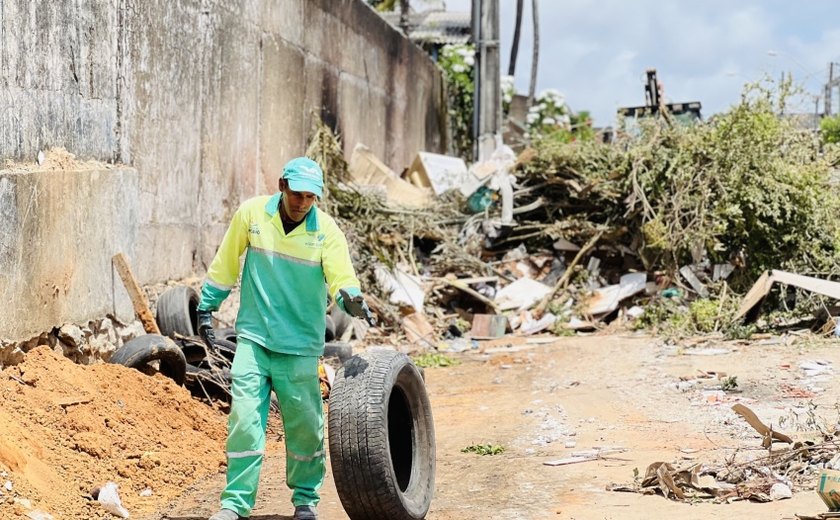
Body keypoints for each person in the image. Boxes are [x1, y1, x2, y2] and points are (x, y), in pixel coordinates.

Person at [198, 157, 371, 520]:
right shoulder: (252, 215)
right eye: (297, 194)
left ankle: (306, 500)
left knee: (305, 428)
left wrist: (351, 300)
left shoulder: (326, 232)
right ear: (281, 185)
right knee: (244, 424)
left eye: (310, 197)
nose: (302, 202)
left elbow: (341, 278)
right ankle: (234, 505)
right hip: (254, 340)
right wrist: (206, 306)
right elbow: (226, 261)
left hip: (300, 346)